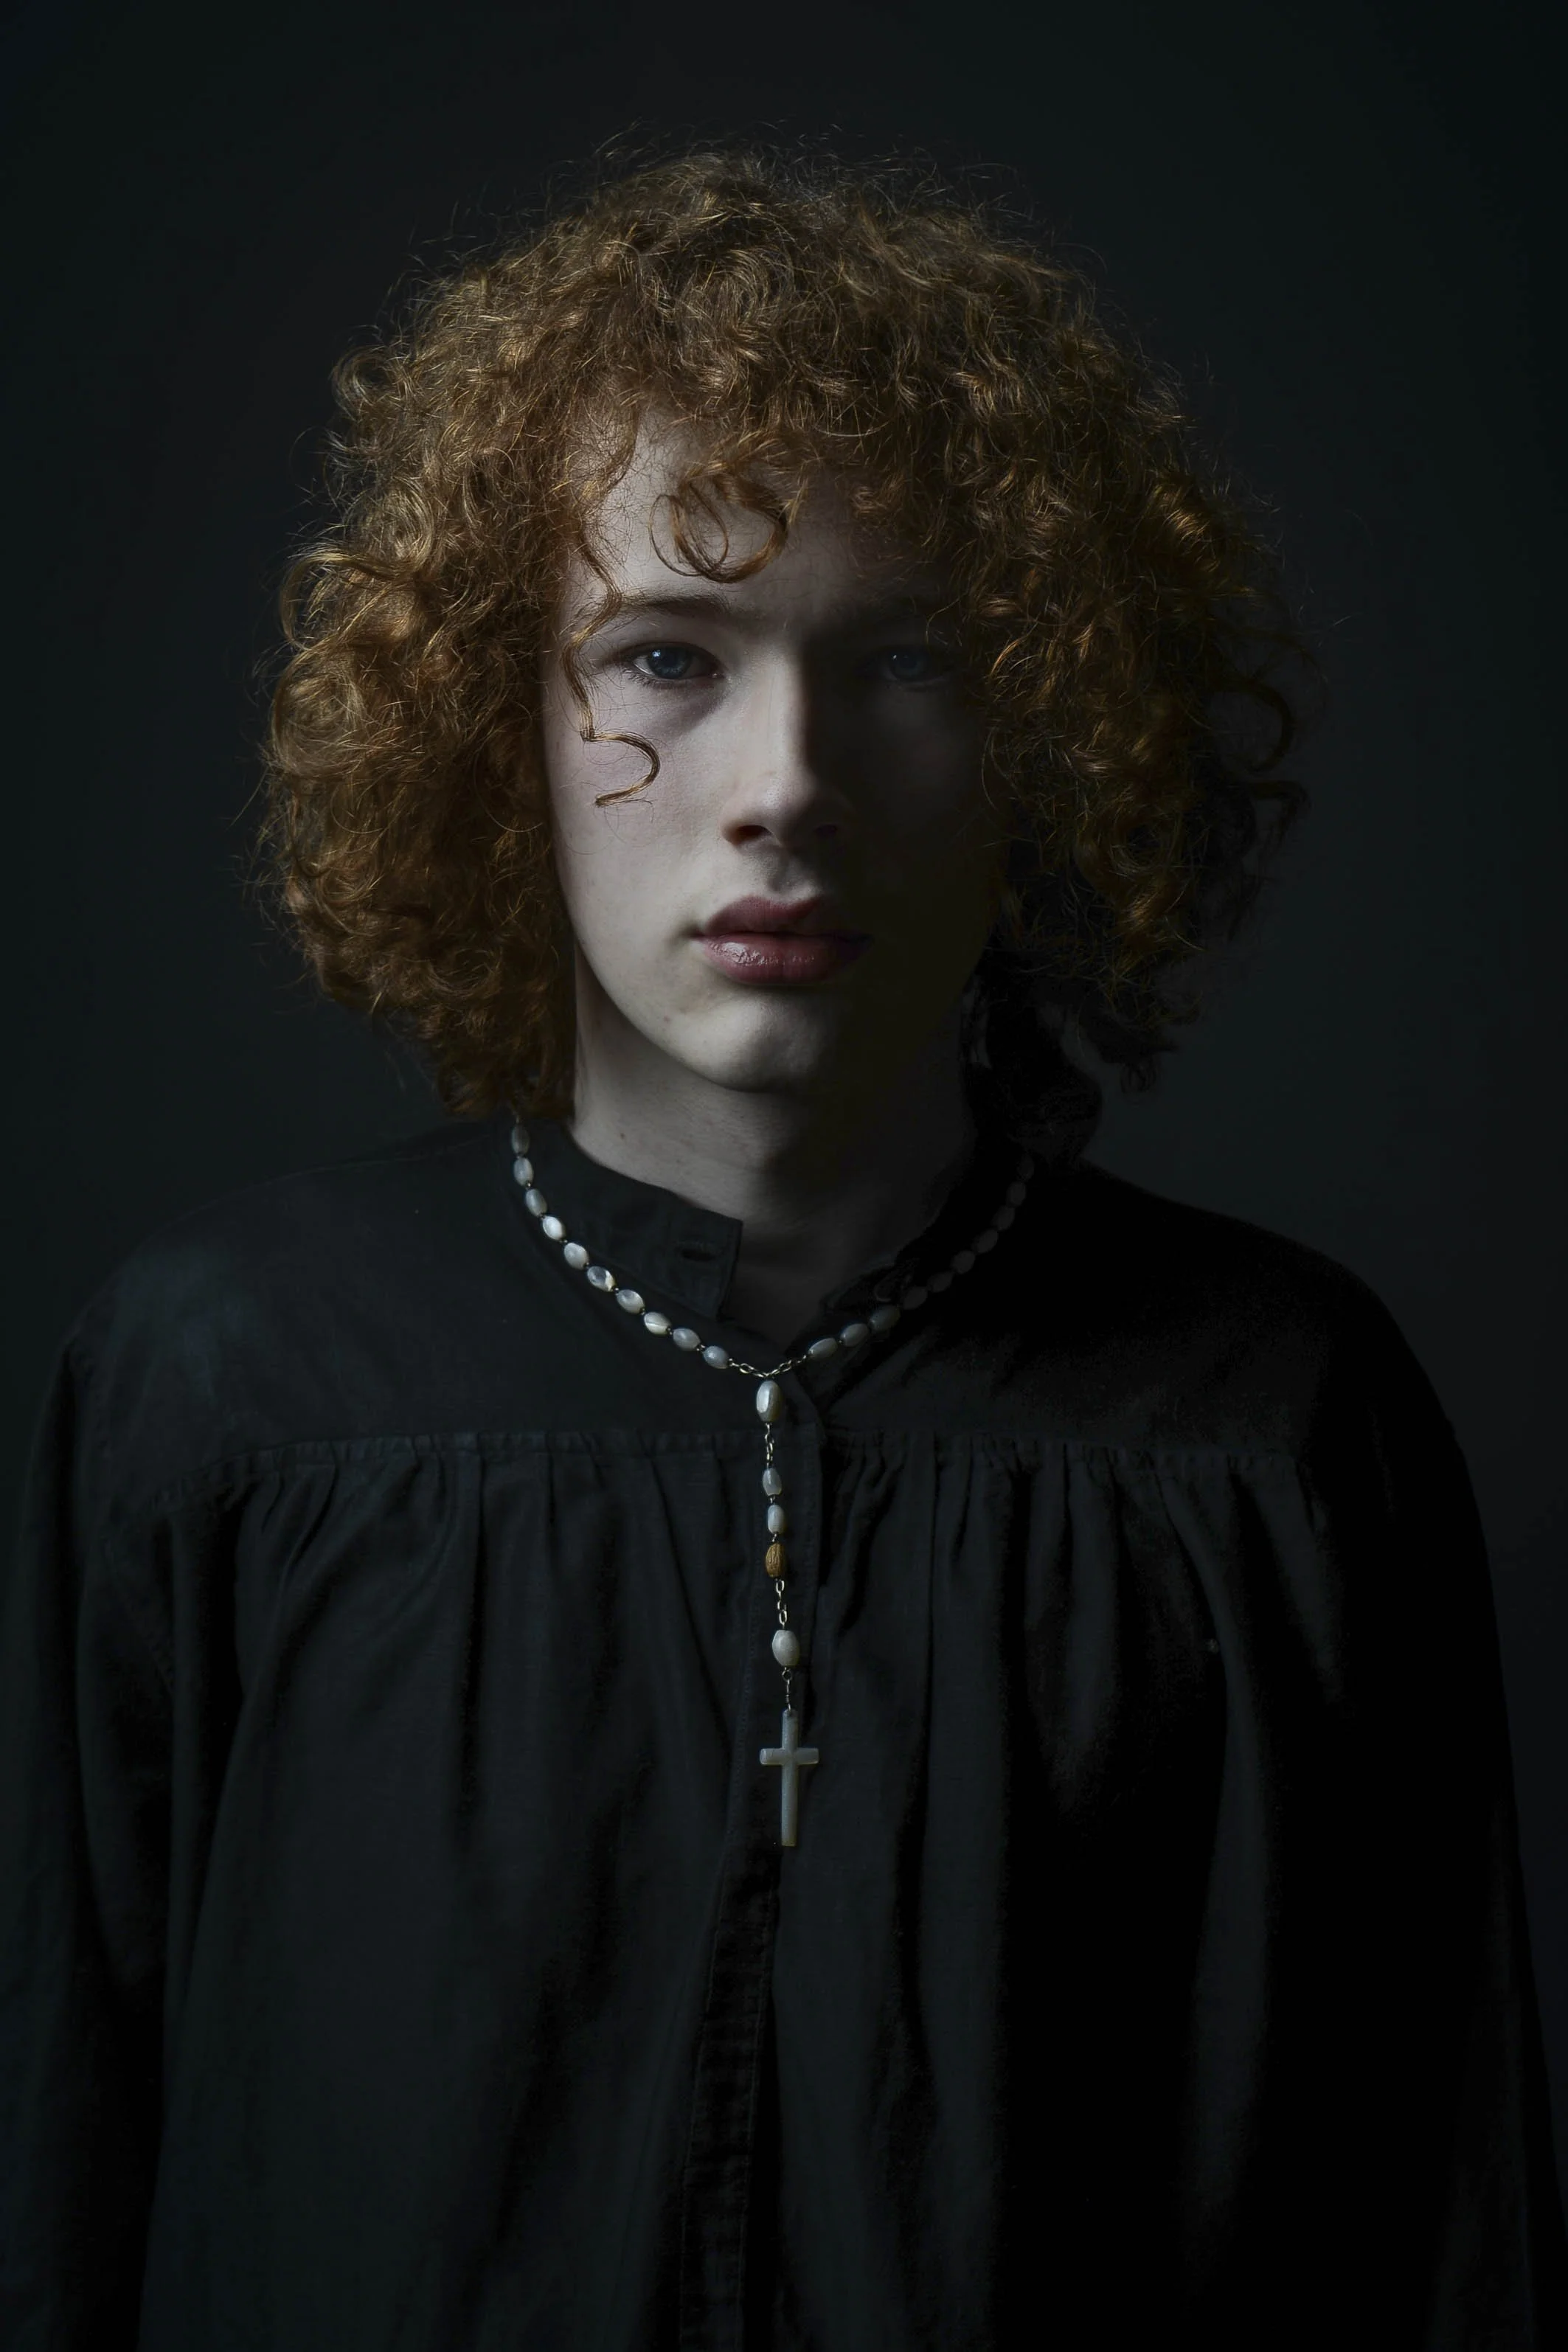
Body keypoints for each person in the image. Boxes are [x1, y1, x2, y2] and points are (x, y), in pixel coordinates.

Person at [1, 149, 1561, 2351]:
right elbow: (58, 2192)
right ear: (502, 723)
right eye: (664, 657)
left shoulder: (1276, 1424)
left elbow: (1441, 2241)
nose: (784, 783)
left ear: (1041, 731)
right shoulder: (224, 1389)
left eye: (904, 658)